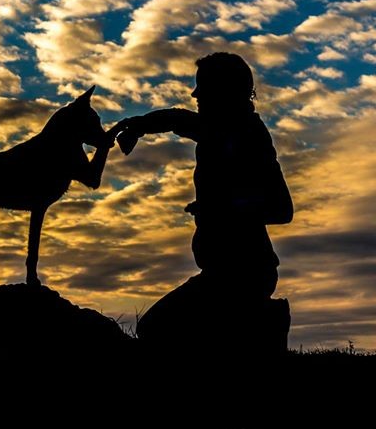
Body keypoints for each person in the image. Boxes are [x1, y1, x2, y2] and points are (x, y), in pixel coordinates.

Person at [116, 53, 293, 303]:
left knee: (157, 328)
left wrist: (222, 206)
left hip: (244, 276)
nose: (195, 95)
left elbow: (282, 209)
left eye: (203, 87)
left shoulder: (249, 137)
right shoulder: (219, 130)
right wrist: (138, 125)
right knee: (156, 327)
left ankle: (266, 324)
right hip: (220, 274)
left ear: (224, 91)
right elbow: (177, 118)